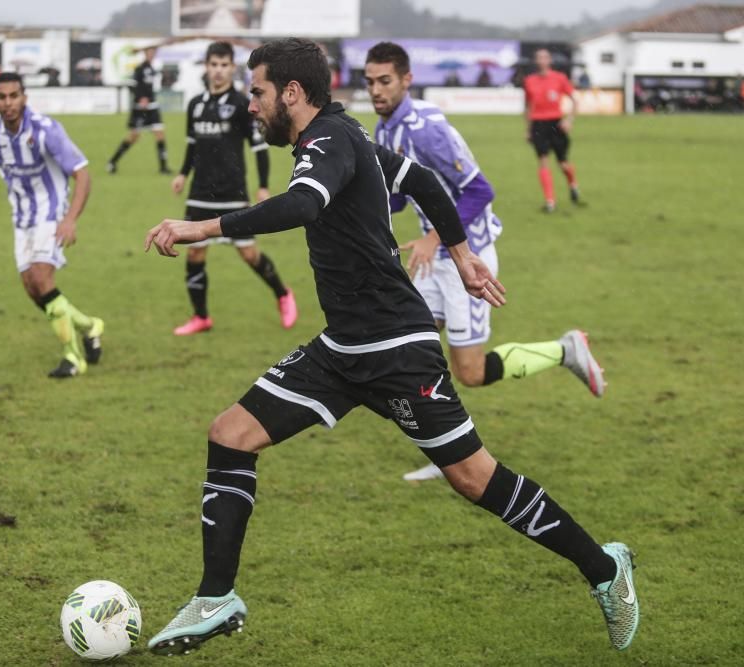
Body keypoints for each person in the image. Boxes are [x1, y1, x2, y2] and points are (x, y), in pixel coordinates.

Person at [142, 37, 638, 657]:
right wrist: (461, 255)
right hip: (342, 349)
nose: (251, 104)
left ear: (291, 94)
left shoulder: (327, 141)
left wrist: (201, 227)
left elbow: (302, 204)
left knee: (474, 479)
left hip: (398, 350)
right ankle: (216, 599)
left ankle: (604, 569)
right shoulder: (344, 138)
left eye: (259, 92)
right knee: (230, 435)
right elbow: (424, 181)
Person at [365, 41, 606, 482]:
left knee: (470, 372)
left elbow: (479, 191)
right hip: (432, 255)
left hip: (466, 258)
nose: (376, 90)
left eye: (385, 81)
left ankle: (564, 350)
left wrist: (434, 238)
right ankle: (450, 454)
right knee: (410, 354)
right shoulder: (384, 130)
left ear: (406, 80)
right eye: (370, 82)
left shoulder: (426, 130)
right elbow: (399, 195)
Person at [0, 72, 104, 378]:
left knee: (42, 280)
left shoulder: (46, 130)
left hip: (53, 212)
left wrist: (70, 219)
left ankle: (73, 358)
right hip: (22, 218)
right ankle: (90, 326)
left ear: (24, 97)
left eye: (14, 96)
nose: (8, 103)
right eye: (1, 97)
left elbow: (82, 173)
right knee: (34, 290)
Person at [170, 41, 297, 335]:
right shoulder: (195, 104)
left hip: (231, 193)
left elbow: (258, 148)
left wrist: (263, 186)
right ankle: (201, 317)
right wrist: (181, 174)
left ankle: (283, 293)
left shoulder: (242, 104)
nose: (218, 71)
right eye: (213, 64)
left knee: (249, 255)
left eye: (224, 65)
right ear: (206, 66)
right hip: (200, 193)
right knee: (194, 255)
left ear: (231, 68)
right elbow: (192, 146)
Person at [524, 48, 583, 212]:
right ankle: (550, 201)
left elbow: (574, 100)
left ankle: (573, 184)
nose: (542, 60)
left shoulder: (559, 78)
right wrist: (528, 129)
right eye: (539, 57)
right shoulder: (529, 81)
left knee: (562, 163)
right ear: (536, 61)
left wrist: (569, 119)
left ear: (550, 60)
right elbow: (528, 106)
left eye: (545, 57)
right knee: (543, 160)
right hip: (538, 125)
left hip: (556, 124)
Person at [107, 47, 170, 174]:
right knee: (134, 137)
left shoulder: (152, 69)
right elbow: (132, 85)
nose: (152, 55)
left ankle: (163, 167)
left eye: (153, 53)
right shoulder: (140, 69)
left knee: (160, 134)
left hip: (153, 107)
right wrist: (141, 97)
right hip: (140, 110)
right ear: (145, 54)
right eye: (149, 53)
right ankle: (112, 162)